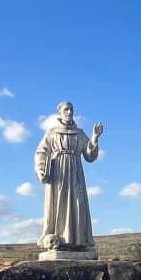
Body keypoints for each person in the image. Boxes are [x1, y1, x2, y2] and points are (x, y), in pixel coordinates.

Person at [35, 101, 103, 252]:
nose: (69, 112)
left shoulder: (79, 133)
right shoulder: (52, 133)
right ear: (59, 113)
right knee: (59, 203)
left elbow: (90, 155)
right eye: (66, 109)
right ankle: (59, 240)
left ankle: (79, 241)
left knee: (78, 204)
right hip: (58, 172)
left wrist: (95, 137)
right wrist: (41, 169)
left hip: (76, 172)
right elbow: (41, 152)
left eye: (71, 109)